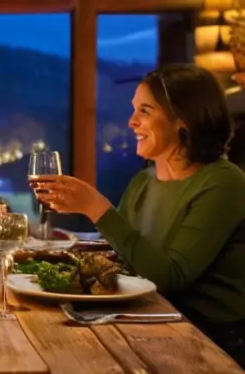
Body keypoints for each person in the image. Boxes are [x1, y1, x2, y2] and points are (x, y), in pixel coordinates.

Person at [34, 63, 245, 367]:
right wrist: (48, 253)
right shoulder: (143, 182)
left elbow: (168, 278)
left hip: (209, 344)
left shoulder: (224, 183)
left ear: (183, 119)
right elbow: (125, 256)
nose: (131, 122)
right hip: (146, 325)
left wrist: (96, 207)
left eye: (145, 111)